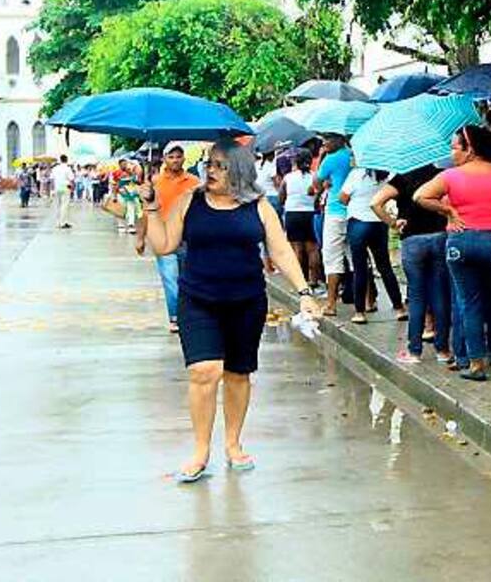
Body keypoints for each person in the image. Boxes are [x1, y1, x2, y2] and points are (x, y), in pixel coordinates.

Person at [140, 139, 322, 483]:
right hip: (198, 299)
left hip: (246, 301)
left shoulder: (258, 206)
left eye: (219, 165)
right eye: (209, 164)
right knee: (204, 371)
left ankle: (233, 443)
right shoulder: (189, 201)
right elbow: (164, 244)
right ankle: (199, 450)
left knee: (238, 374)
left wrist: (304, 293)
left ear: (238, 170)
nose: (210, 170)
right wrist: (150, 208)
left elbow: (281, 251)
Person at [415, 125, 491, 382]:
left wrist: (449, 212)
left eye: (455, 147)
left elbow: (420, 196)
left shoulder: (450, 176)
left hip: (460, 244)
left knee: (470, 304)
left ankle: (476, 364)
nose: (452, 153)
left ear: (470, 149)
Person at [371, 164, 452, 364]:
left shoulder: (402, 177)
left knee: (416, 295)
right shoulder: (440, 176)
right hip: (439, 237)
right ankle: (443, 351)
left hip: (412, 240)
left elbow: (375, 203)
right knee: (439, 294)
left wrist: (392, 223)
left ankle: (414, 351)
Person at [136, 143, 199, 334]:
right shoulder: (155, 182)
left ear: (184, 159)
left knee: (189, 279)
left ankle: (191, 313)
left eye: (178, 156)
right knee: (171, 279)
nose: (175, 160)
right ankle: (176, 316)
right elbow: (146, 212)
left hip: (189, 237)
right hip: (163, 238)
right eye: (171, 157)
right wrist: (141, 237)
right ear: (164, 159)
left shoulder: (194, 182)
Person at [340, 166, 406, 325]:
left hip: (358, 222)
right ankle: (398, 308)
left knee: (360, 268)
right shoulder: (388, 175)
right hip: (379, 223)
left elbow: (343, 197)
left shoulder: (357, 174)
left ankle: (359, 312)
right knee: (385, 267)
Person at [315, 135, 354, 317]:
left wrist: (323, 159)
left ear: (338, 140)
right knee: (357, 257)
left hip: (335, 212)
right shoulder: (354, 156)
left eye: (327, 139)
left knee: (332, 257)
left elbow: (316, 183)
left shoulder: (331, 159)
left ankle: (331, 304)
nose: (324, 144)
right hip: (354, 212)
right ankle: (369, 301)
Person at [282, 149, 322, 292]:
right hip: (310, 214)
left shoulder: (288, 177)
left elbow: (282, 197)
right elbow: (319, 196)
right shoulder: (315, 177)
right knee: (312, 249)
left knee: (297, 249)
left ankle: (300, 280)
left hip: (292, 214)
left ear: (296, 162)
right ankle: (314, 280)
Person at [51, 155, 74, 229]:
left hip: (57, 188)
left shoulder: (55, 168)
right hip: (65, 188)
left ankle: (58, 222)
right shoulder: (68, 168)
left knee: (57, 205)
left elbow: (52, 179)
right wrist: (72, 187)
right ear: (66, 160)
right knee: (65, 206)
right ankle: (63, 222)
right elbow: (71, 179)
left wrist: (52, 189)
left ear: (60, 160)